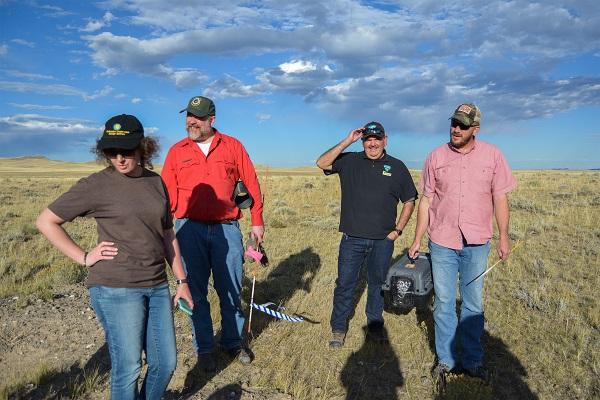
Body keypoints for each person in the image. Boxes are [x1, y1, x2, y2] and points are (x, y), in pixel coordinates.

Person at [36, 114, 193, 400]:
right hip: (116, 288)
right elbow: (46, 221)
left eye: (127, 151)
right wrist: (84, 257)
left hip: (157, 285)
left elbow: (168, 235)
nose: (119, 158)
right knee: (129, 367)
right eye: (111, 152)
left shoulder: (156, 183)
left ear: (143, 148)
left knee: (165, 363)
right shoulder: (96, 185)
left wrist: (182, 281)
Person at [408, 103, 517, 383]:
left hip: (477, 242)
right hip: (442, 241)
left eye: (463, 125)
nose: (456, 129)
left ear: (475, 129)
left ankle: (472, 360)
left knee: (473, 304)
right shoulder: (436, 157)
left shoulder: (493, 156)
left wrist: (504, 236)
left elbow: (500, 199)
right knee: (444, 302)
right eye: (453, 123)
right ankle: (446, 360)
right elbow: (427, 200)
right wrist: (417, 238)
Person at [161, 95, 264, 370]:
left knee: (230, 287)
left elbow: (251, 182)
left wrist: (257, 220)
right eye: (188, 117)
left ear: (212, 120)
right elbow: (166, 194)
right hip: (187, 229)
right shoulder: (177, 151)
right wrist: (160, 227)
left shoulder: (232, 146)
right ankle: (204, 347)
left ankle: (232, 342)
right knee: (194, 289)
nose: (191, 122)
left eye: (197, 118)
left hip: (226, 228)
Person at [316, 121, 417, 348]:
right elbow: (321, 162)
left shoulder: (397, 167)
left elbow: (410, 200)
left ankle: (374, 326)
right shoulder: (350, 160)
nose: (372, 143)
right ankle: (339, 328)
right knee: (345, 283)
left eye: (376, 139)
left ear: (385, 140)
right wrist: (346, 141)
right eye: (368, 139)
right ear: (362, 142)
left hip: (383, 240)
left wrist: (397, 230)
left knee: (377, 284)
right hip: (352, 239)